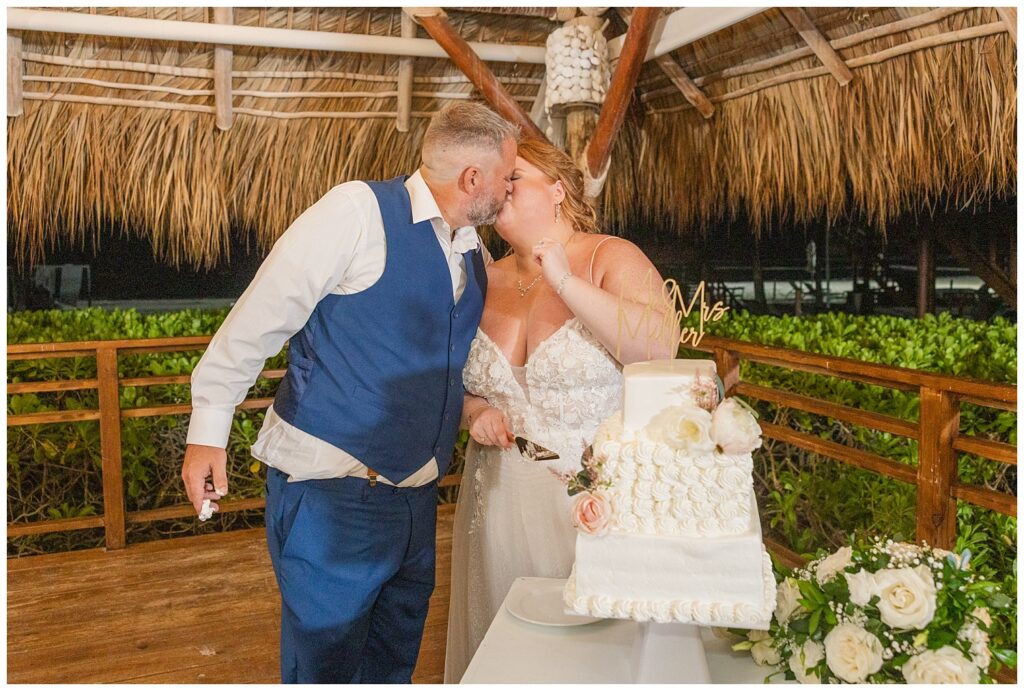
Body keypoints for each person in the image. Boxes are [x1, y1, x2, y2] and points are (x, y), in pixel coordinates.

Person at [180, 102, 519, 684]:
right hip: (332, 499)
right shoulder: (356, 211)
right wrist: (207, 432)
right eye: (508, 176)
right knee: (324, 672)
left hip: (415, 503)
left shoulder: (473, 253)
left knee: (391, 671)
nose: (511, 188)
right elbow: (258, 318)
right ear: (472, 178)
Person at [444, 138, 678, 682]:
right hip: (497, 496)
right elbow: (446, 380)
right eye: (496, 179)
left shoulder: (609, 255)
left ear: (558, 189)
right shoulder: (480, 278)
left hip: (594, 501)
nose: (500, 188)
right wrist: (474, 409)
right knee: (507, 648)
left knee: (593, 653)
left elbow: (659, 348)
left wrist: (567, 283)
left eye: (514, 177)